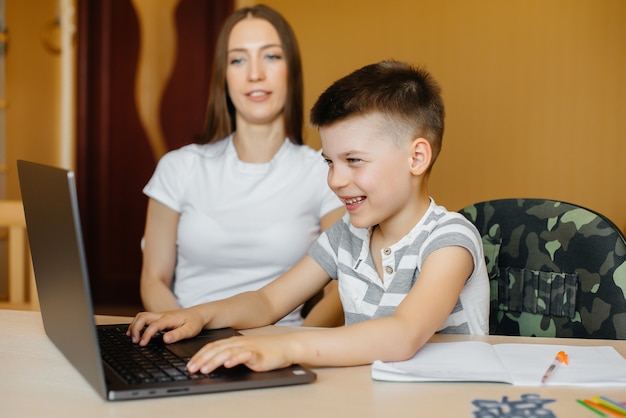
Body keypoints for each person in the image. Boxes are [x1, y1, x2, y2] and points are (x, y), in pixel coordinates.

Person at [129, 60, 489, 374]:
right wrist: (200, 316)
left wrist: (286, 347)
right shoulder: (345, 236)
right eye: (330, 162)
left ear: (416, 158)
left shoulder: (449, 240)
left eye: (354, 160)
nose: (335, 180)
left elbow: (403, 335)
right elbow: (268, 302)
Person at [139, 4, 345, 326]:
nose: (254, 74)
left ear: (291, 69)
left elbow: (338, 293)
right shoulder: (178, 167)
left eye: (271, 56)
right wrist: (184, 333)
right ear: (224, 75)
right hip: (188, 346)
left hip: (281, 350)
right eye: (238, 59)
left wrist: (295, 347)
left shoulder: (325, 173)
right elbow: (153, 279)